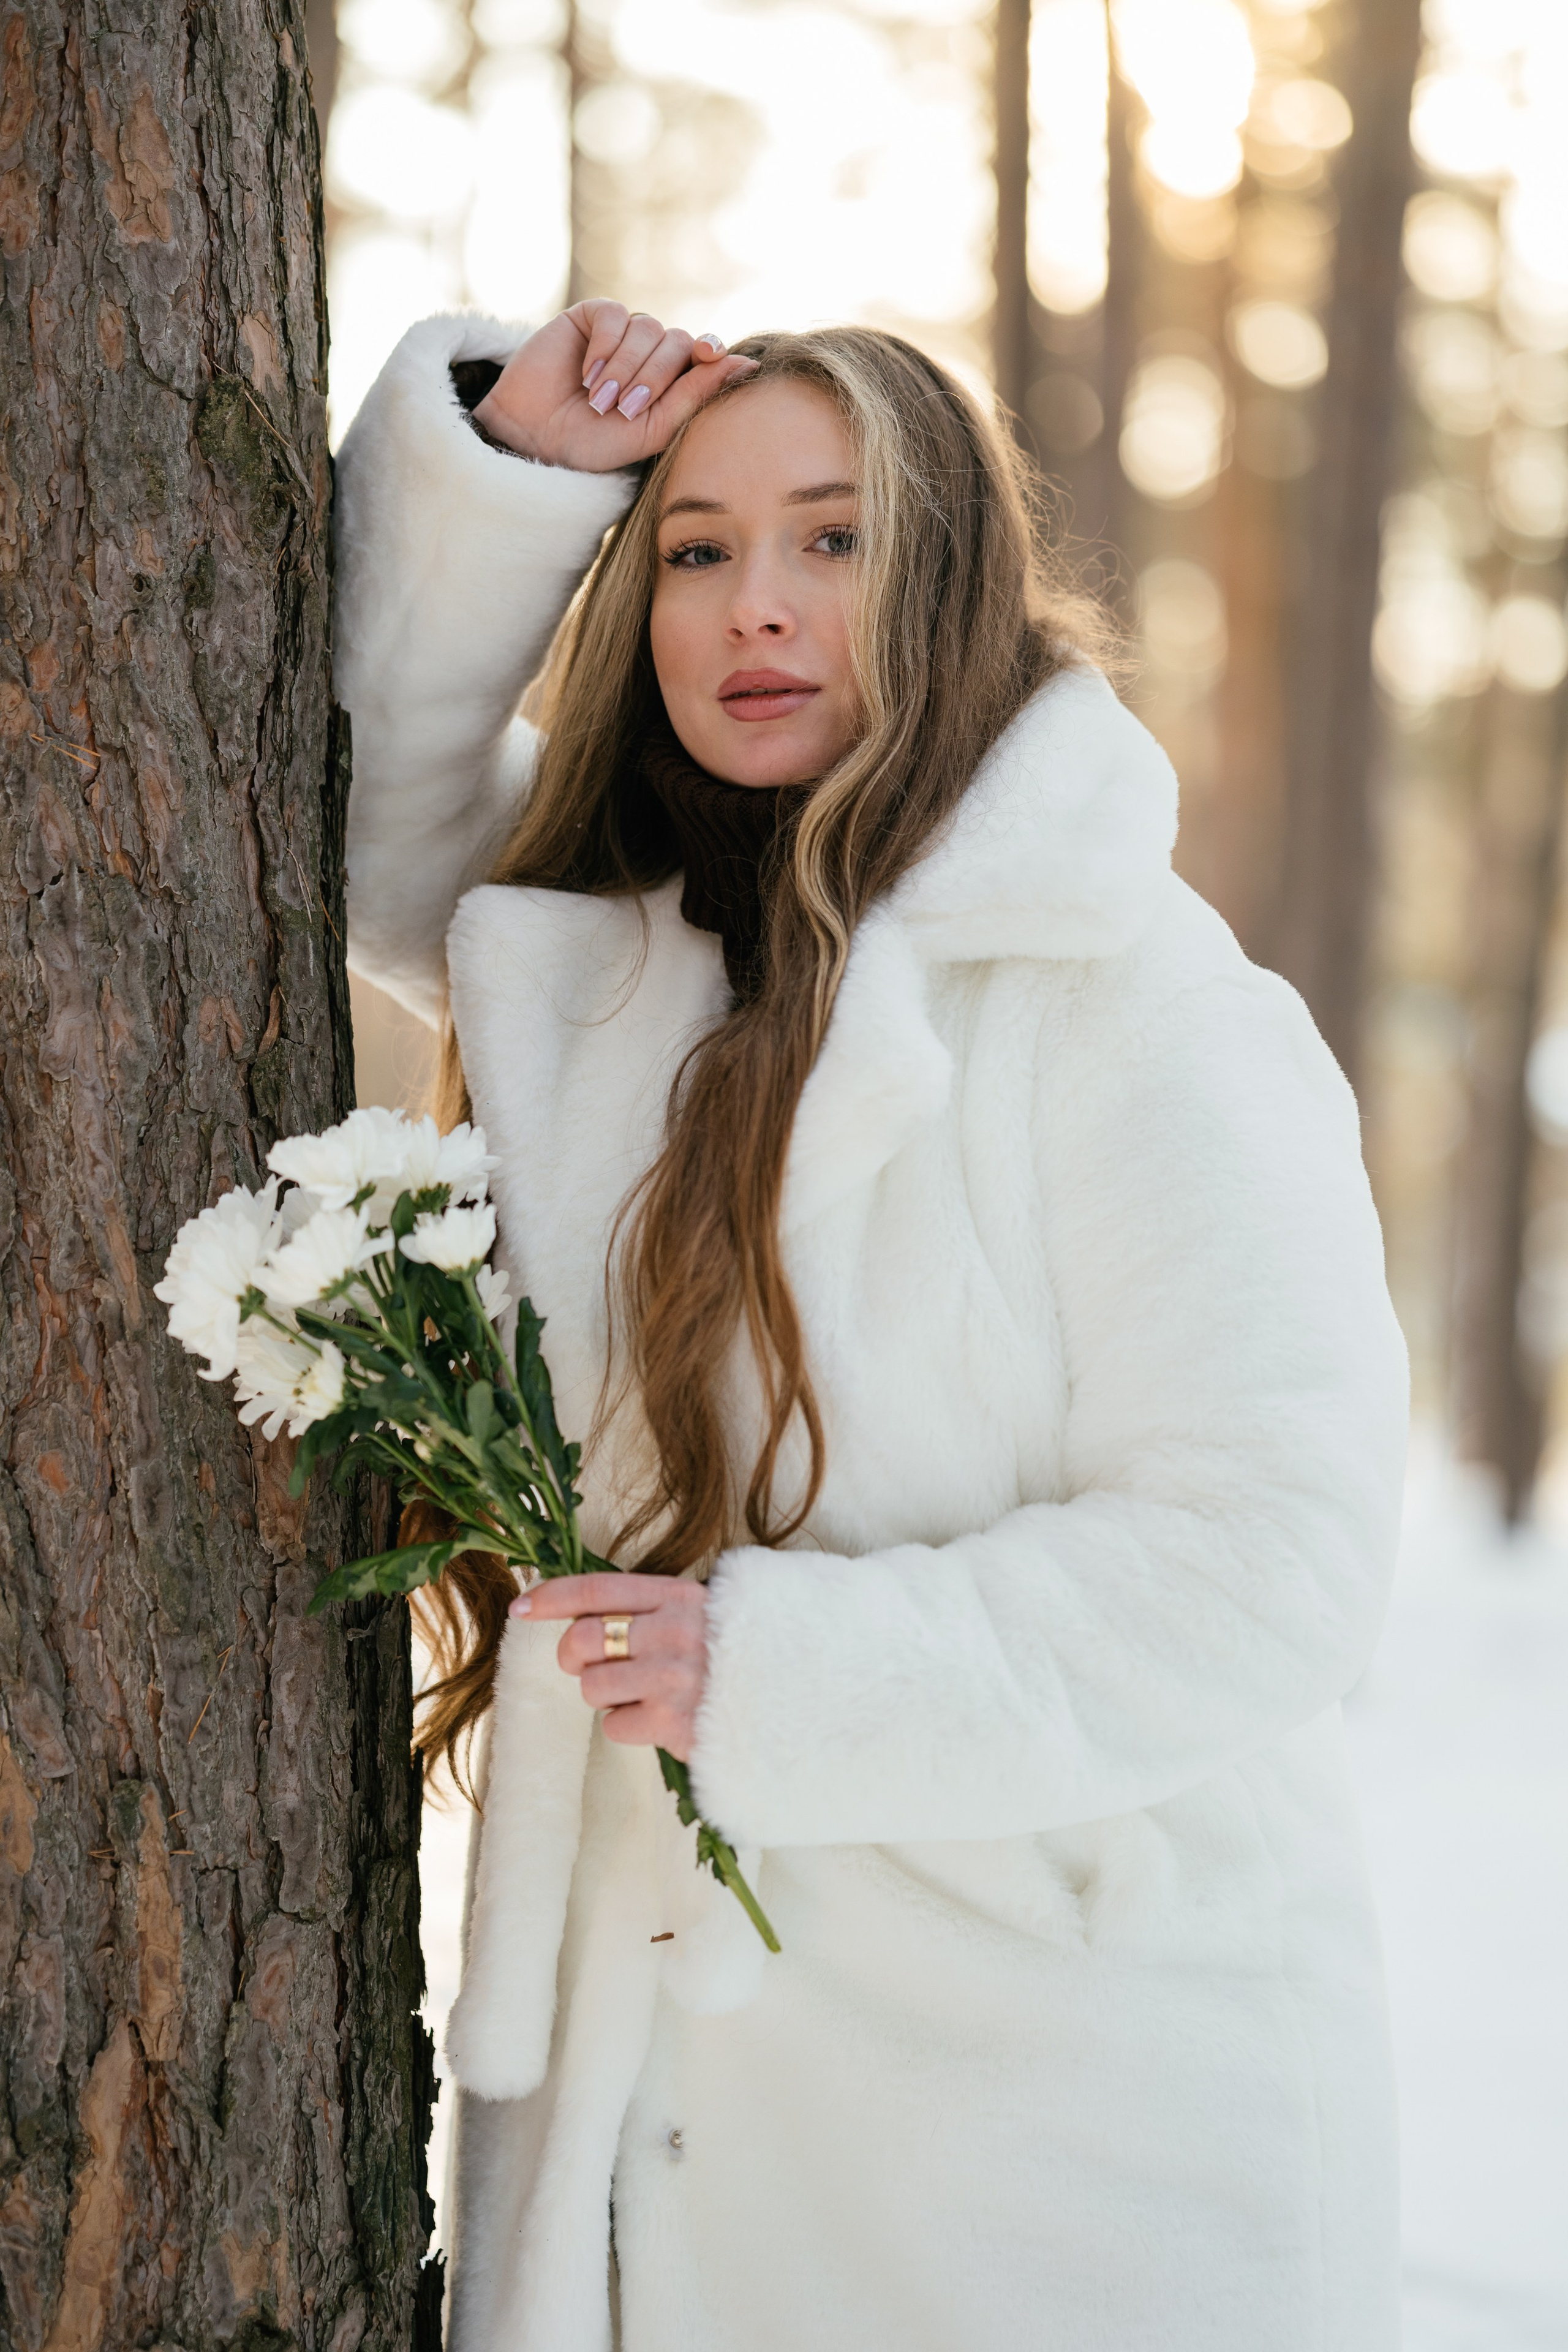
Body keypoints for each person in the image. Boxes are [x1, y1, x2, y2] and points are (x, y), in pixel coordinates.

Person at [334, 300, 1409, 2352]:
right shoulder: (624, 970)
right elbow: (342, 816)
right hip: (665, 2108)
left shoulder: (1134, 1002)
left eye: (832, 539)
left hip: (1062, 2123)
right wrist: (522, 468)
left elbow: (1275, 1555)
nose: (758, 603)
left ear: (947, 579)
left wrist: (781, 1673)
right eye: (697, 547)